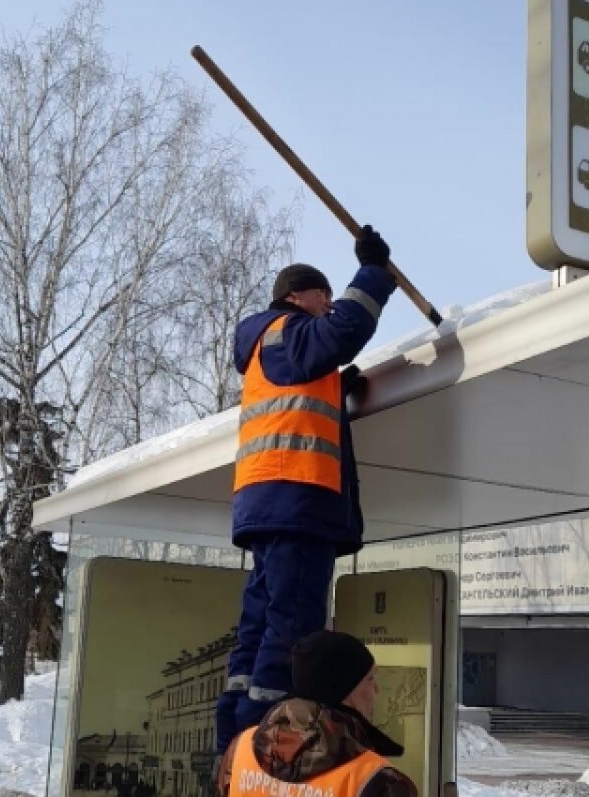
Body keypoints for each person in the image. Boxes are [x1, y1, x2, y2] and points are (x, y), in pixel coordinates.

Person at [215, 226, 397, 754]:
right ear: (297, 296)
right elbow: (344, 329)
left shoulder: (267, 348)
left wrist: (337, 388)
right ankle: (270, 753)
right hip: (296, 498)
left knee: (257, 631)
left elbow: (298, 396)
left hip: (269, 501)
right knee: (292, 634)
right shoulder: (287, 330)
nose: (331, 302)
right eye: (324, 295)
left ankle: (233, 745)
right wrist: (372, 271)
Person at [216, 630, 417, 797]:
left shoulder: (240, 750)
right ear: (345, 689)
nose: (376, 691)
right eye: (370, 679)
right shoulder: (378, 781)